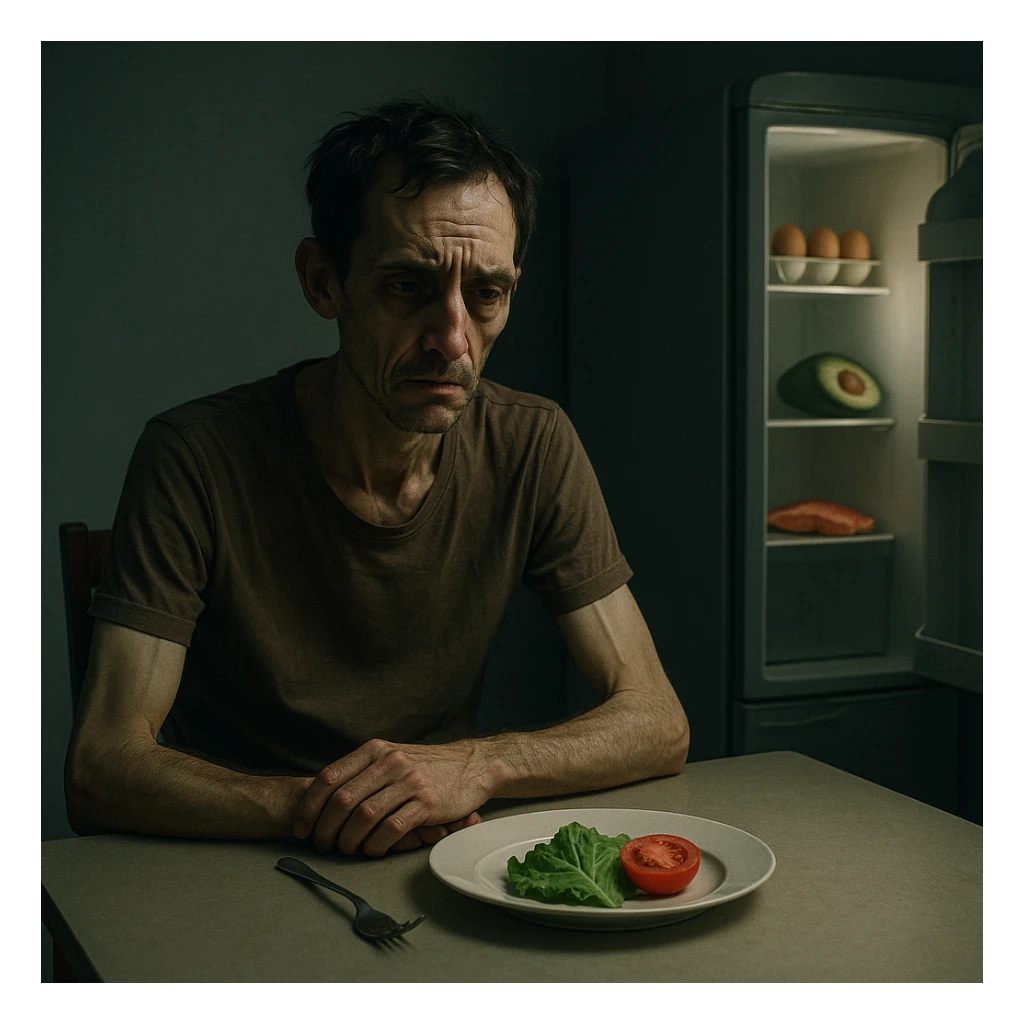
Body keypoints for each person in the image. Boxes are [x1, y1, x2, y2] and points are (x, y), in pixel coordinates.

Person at [64, 97, 690, 858]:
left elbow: (658, 722)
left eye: (485, 294)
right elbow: (101, 768)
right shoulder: (193, 457)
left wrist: (476, 765)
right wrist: (342, 807)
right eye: (407, 285)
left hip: (434, 853)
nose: (452, 339)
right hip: (233, 857)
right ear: (323, 281)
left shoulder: (533, 443)